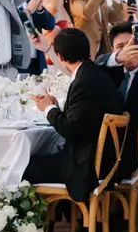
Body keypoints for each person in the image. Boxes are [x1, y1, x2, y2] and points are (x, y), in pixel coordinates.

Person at [25, 29, 128, 206]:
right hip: (103, 159)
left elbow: (70, 130)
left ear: (60, 56)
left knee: (23, 166)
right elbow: (83, 118)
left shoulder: (84, 82)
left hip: (88, 166)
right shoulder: (95, 74)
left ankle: (40, 223)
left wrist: (48, 108)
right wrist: (56, 107)